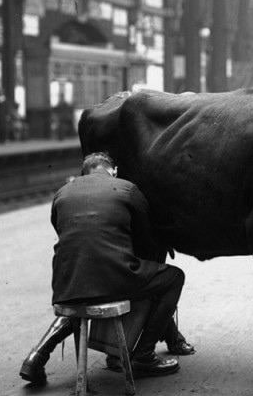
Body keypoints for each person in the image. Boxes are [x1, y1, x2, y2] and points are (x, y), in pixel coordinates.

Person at [19, 152, 185, 384]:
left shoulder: (62, 193)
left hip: (66, 284)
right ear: (113, 171)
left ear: (83, 173)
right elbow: (146, 240)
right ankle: (144, 355)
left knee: (86, 291)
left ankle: (36, 357)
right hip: (115, 279)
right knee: (174, 277)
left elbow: (63, 231)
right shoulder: (126, 188)